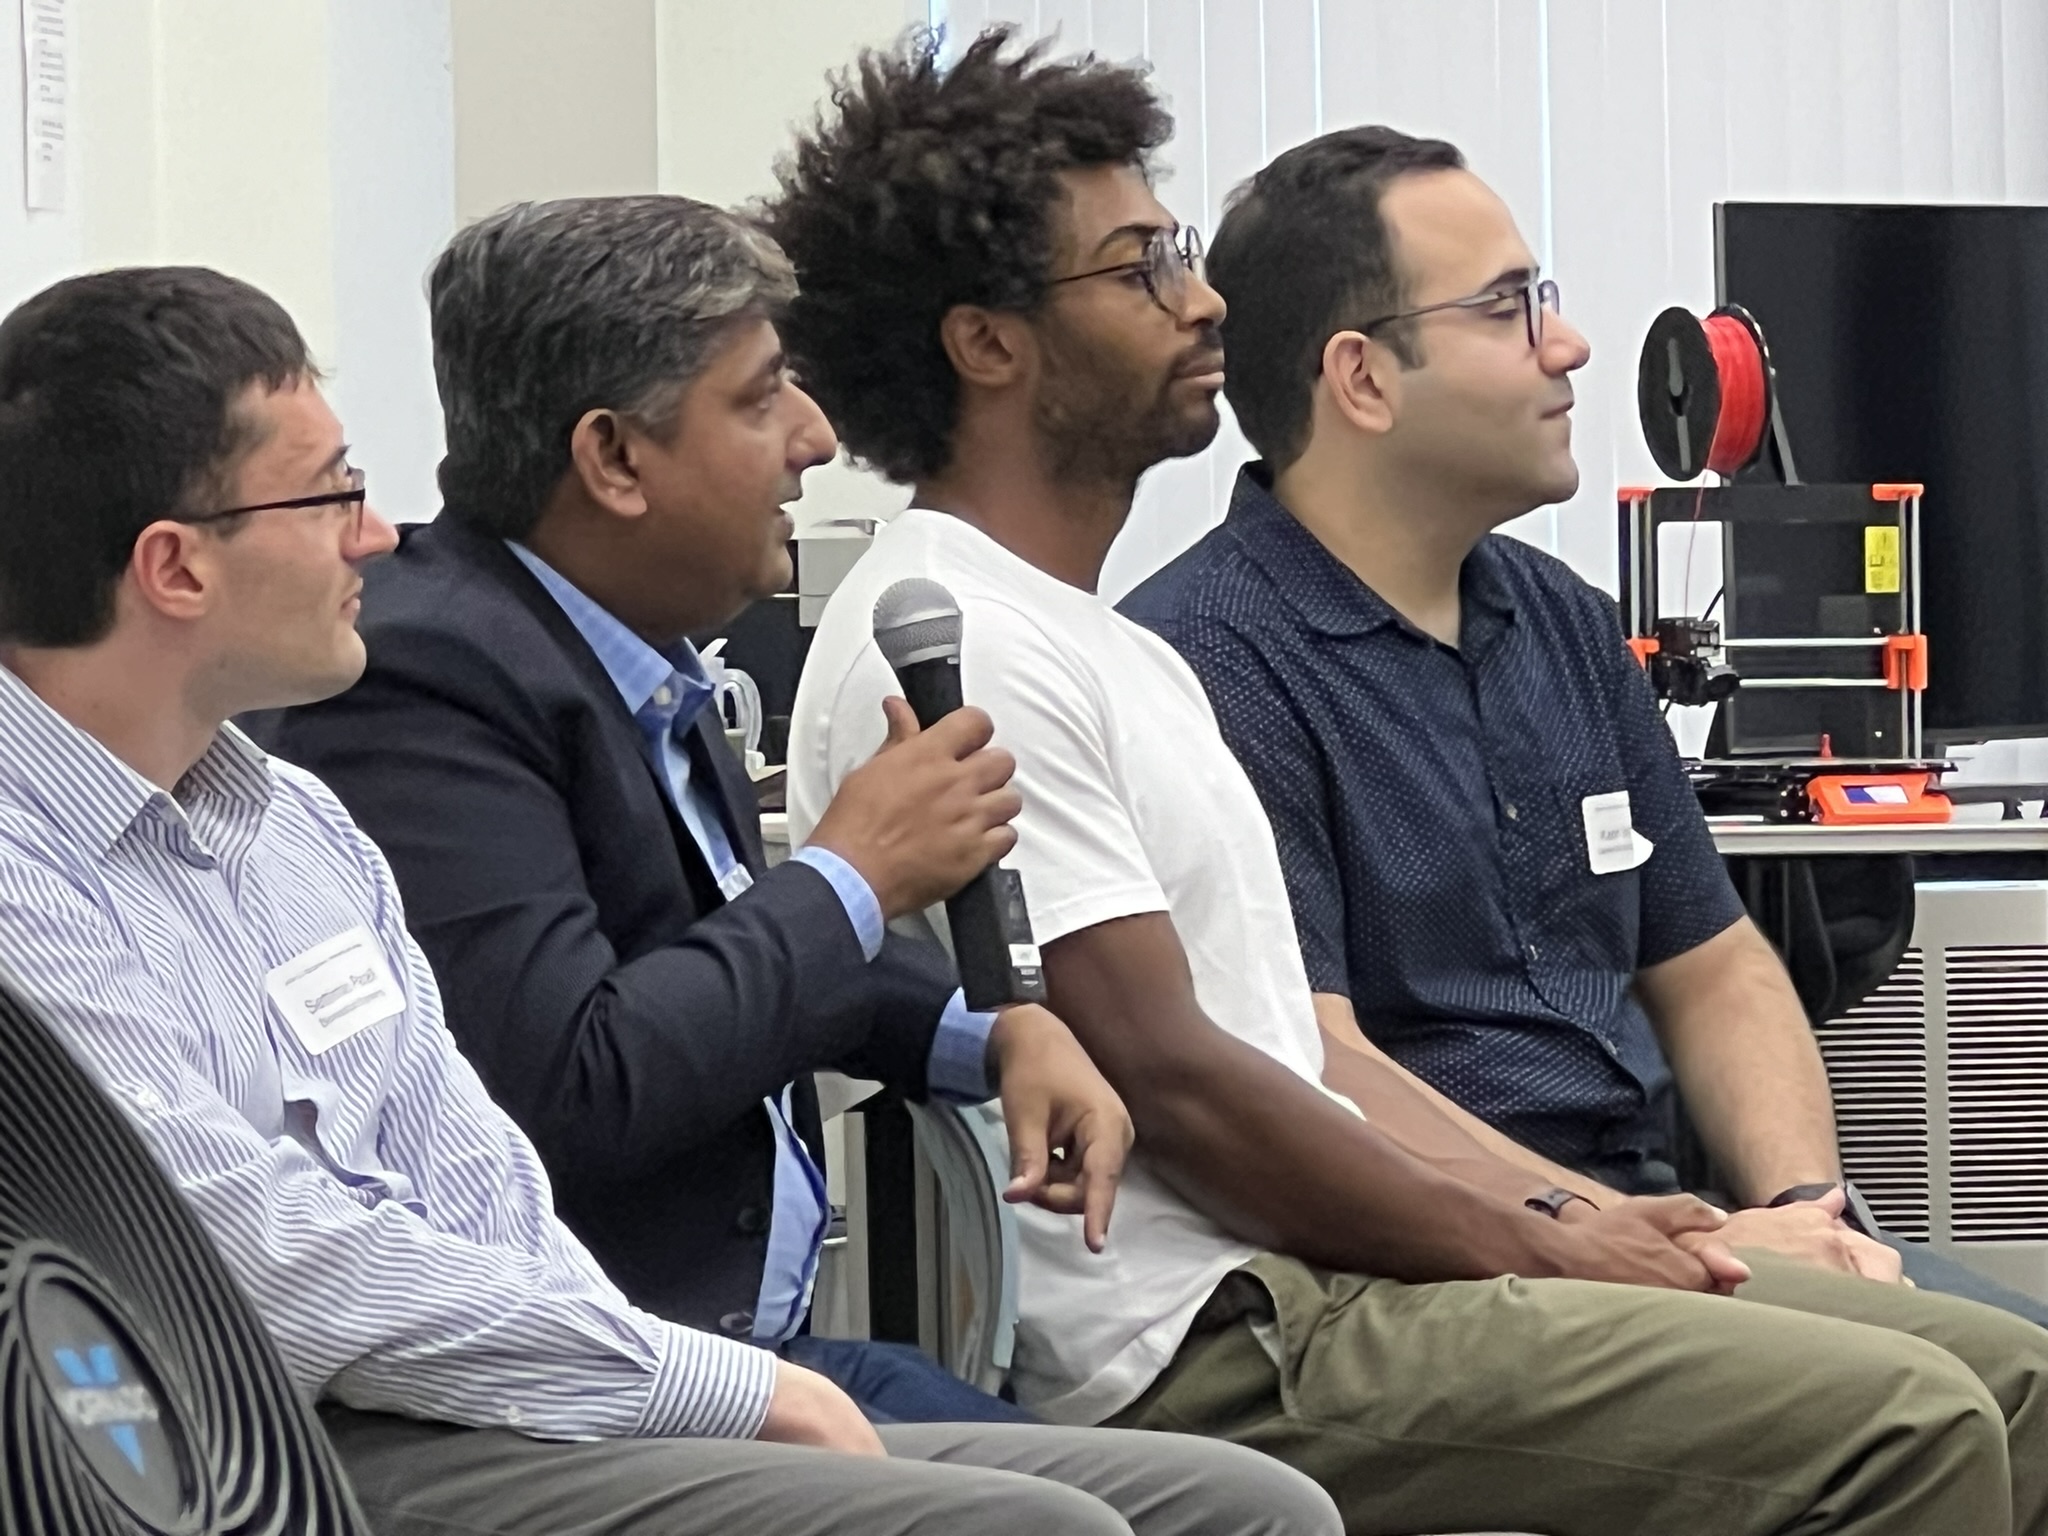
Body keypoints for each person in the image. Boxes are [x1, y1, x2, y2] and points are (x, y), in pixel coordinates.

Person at [769, 27, 2048, 1536]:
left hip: (1346, 1261)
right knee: (1910, 1422)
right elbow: (1184, 1088)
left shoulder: (1106, 644)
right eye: (1140, 270)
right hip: (1232, 1320)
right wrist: (1558, 1234)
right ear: (988, 344)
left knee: (2015, 1380)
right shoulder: (972, 636)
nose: (1203, 302)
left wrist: (1665, 1214)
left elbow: (1312, 1053)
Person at [0, 265, 1342, 1536]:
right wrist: (709, 1390)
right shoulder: (39, 870)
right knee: (1033, 1527)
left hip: (534, 1384)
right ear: (177, 568)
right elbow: (257, 1261)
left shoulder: (290, 823)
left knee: (1244, 1510)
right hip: (260, 1442)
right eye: (331, 494)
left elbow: (481, 1178)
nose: (377, 531)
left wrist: (651, 1386)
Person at [1117, 124, 2048, 1331]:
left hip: (1653, 1221)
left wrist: (1806, 1212)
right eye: (1506, 308)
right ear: (1362, 379)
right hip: (1439, 1270)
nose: (1567, 345)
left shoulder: (1562, 622)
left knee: (2011, 1355)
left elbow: (1713, 966)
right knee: (1972, 1391)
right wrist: (1645, 1235)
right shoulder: (1206, 662)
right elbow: (1318, 1062)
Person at [253, 193, 1142, 1427]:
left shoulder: (633, 652)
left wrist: (988, 1031)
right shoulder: (427, 681)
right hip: (620, 1391)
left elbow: (725, 951)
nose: (815, 438)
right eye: (762, 396)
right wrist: (852, 876)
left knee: (1223, 1502)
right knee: (1154, 1508)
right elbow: (572, 1084)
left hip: (777, 1354)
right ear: (614, 458)